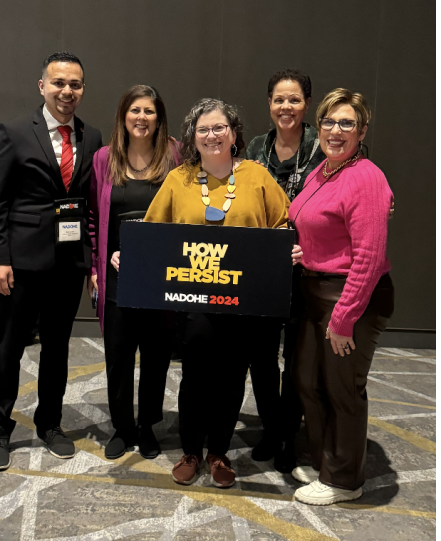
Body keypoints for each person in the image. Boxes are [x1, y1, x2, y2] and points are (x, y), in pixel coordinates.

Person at [120, 98, 290, 488]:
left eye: (219, 128)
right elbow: (154, 232)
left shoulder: (257, 176)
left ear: (234, 133)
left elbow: (282, 223)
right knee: (195, 377)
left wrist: (288, 248)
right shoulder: (178, 179)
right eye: (203, 130)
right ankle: (191, 451)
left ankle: (218, 452)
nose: (211, 136)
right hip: (193, 301)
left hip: (243, 302)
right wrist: (126, 254)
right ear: (192, 138)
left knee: (231, 378)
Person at [0, 52, 104, 471]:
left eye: (75, 84)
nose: (67, 91)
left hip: (67, 265)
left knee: (56, 348)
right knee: (9, 348)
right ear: (42, 86)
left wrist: (91, 262)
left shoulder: (92, 136)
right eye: (59, 83)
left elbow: (90, 203)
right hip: (20, 263)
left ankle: (49, 423)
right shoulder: (14, 132)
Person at [288, 88, 394, 505]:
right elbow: (315, 226)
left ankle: (344, 479)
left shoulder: (365, 177)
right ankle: (325, 461)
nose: (335, 130)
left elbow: (369, 256)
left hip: (349, 295)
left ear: (362, 130)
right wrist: (302, 250)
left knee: (343, 388)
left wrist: (344, 317)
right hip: (315, 289)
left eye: (346, 123)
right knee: (307, 379)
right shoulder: (324, 170)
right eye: (328, 122)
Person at [87, 85, 180, 460]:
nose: (142, 118)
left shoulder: (174, 155)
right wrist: (96, 265)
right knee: (119, 356)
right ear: (123, 116)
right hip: (117, 275)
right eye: (135, 110)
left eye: (149, 111)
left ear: (159, 118)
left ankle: (147, 427)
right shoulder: (103, 158)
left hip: (160, 277)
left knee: (156, 356)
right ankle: (123, 428)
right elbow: (93, 217)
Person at [243, 69, 325, 472]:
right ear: (269, 104)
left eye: (294, 100)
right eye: (279, 100)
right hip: (263, 267)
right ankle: (271, 428)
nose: (285, 107)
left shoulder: (323, 146)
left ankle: (289, 433)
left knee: (296, 358)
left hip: (307, 267)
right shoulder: (256, 147)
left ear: (307, 104)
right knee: (260, 356)